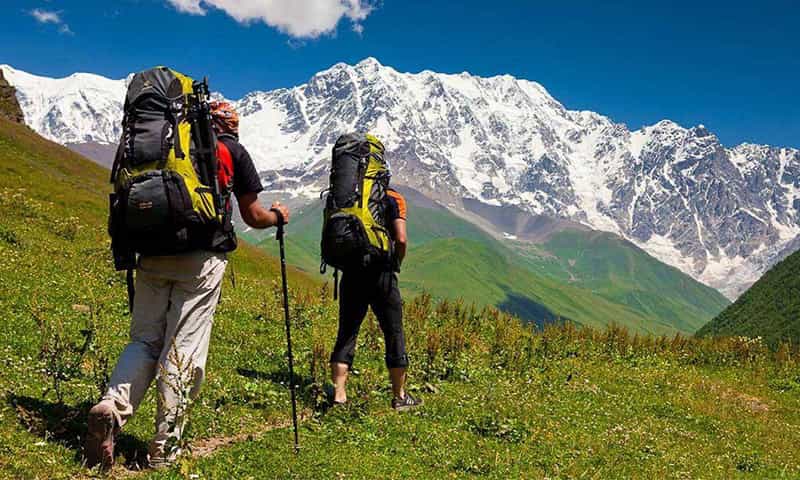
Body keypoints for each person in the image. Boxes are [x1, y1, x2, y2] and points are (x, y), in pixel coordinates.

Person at [85, 101, 290, 469]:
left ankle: (111, 407)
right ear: (231, 125)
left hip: (151, 254)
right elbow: (253, 215)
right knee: (183, 350)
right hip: (200, 259)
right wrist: (277, 216)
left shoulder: (163, 146)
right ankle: (164, 449)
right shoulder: (230, 150)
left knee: (144, 341)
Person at [329, 184, 422, 411]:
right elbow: (401, 239)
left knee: (347, 332)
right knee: (393, 332)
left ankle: (339, 395)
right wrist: (396, 262)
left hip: (352, 272)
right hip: (382, 273)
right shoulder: (393, 197)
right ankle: (399, 396)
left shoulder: (347, 194)